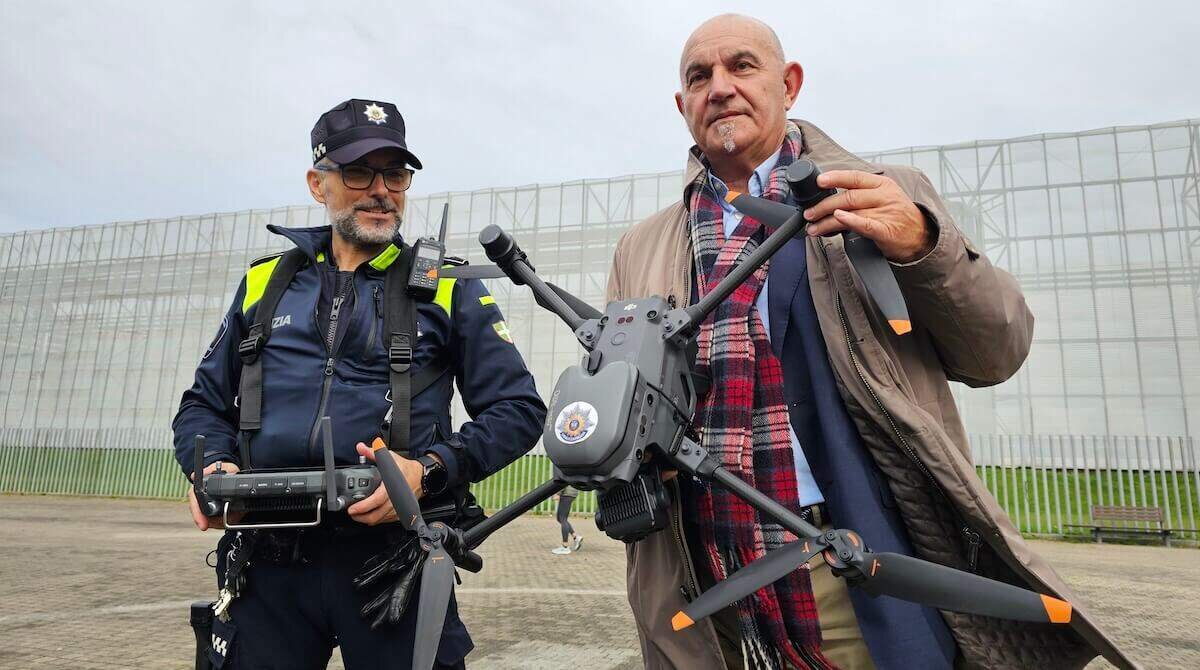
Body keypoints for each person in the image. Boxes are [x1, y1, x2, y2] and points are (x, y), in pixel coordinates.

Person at [606, 14, 1133, 670]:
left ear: (789, 84)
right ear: (681, 104)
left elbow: (1000, 348)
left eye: (742, 67)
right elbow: (622, 398)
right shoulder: (643, 246)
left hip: (852, 560)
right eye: (698, 77)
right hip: (704, 573)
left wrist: (921, 246)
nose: (719, 87)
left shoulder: (883, 194)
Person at [173, 98, 546, 669]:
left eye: (395, 174)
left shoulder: (449, 285)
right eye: (358, 172)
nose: (381, 189)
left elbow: (519, 410)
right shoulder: (263, 283)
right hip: (267, 563)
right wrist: (213, 468)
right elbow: (201, 406)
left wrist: (430, 471)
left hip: (392, 564)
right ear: (317, 183)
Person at [551, 485, 584, 555]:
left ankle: (565, 546)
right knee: (559, 518)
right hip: (571, 491)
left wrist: (558, 493)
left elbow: (565, 479)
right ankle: (575, 537)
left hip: (567, 492)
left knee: (563, 518)